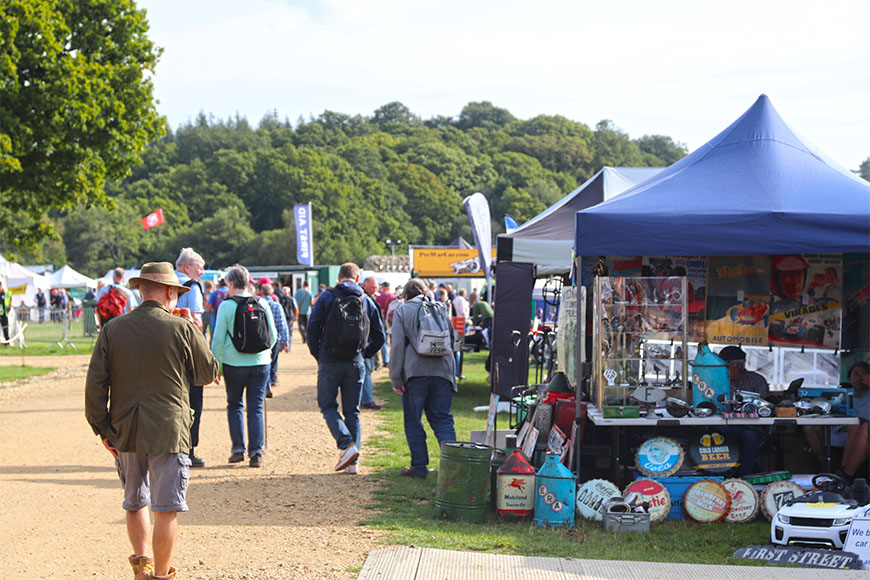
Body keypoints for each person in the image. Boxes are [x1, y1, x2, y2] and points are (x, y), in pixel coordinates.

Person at [84, 262, 219, 580]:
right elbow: (207, 372)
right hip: (169, 429)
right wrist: (193, 331)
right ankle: (160, 575)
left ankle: (141, 567)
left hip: (126, 428)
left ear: (141, 291)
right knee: (166, 507)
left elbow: (95, 385)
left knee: (134, 501)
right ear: (171, 293)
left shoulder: (113, 329)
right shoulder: (182, 328)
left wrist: (102, 428)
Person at [307, 263, 385, 475]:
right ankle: (353, 463)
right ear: (357, 278)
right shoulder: (367, 300)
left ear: (339, 277)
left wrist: (319, 355)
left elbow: (312, 329)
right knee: (353, 410)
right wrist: (365, 354)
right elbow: (380, 336)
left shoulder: (326, 297)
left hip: (329, 360)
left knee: (328, 406)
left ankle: (346, 444)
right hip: (355, 361)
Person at [211, 265, 277, 468]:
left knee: (235, 405)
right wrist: (263, 355)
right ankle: (256, 452)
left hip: (234, 363)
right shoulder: (263, 302)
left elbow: (217, 341)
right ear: (248, 282)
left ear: (231, 284)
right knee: (256, 407)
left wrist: (216, 366)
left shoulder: (226, 306)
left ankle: (238, 449)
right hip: (261, 363)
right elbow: (273, 336)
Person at [390, 279, 457, 478]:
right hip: (443, 371)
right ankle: (454, 468)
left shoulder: (403, 311)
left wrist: (395, 378)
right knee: (443, 420)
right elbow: (452, 339)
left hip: (415, 372)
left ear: (405, 295)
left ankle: (419, 467)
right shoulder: (441, 308)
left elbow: (397, 347)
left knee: (413, 421)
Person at [174, 248, 207, 467]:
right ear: (187, 267)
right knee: (193, 401)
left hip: (165, 350)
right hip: (187, 352)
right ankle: (189, 449)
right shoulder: (192, 287)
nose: (202, 273)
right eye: (200, 268)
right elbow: (196, 320)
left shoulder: (164, 284)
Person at [718, 345, 769, 475]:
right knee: (718, 432)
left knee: (750, 434)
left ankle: (745, 476)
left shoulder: (757, 381)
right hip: (726, 424)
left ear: (739, 366)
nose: (723, 370)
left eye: (726, 367)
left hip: (751, 425)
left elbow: (763, 407)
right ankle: (721, 473)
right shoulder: (718, 381)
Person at [259, 283, 289, 399]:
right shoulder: (277, 306)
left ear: (261, 292)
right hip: (275, 337)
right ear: (272, 293)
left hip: (262, 338)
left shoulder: (258, 304)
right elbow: (282, 324)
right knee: (274, 360)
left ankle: (267, 383)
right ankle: (272, 379)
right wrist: (285, 341)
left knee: (264, 361)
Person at [842, 361, 869, 482]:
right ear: (849, 378)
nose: (860, 378)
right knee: (856, 424)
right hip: (850, 431)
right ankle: (842, 471)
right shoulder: (842, 396)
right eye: (856, 374)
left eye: (864, 374)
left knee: (863, 425)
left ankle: (846, 476)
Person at [359, 276, 383, 410]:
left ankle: (363, 399)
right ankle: (367, 400)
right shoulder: (367, 300)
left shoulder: (362, 299)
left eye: (376, 287)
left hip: (360, 342)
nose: (374, 290)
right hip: (366, 342)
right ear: (365, 285)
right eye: (372, 287)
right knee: (366, 371)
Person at [278, 286, 298, 351]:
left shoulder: (280, 299)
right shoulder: (292, 299)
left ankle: (281, 346)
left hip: (282, 317)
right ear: (289, 292)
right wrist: (296, 316)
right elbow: (295, 308)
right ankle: (288, 347)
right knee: (289, 332)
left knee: (281, 331)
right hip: (290, 317)